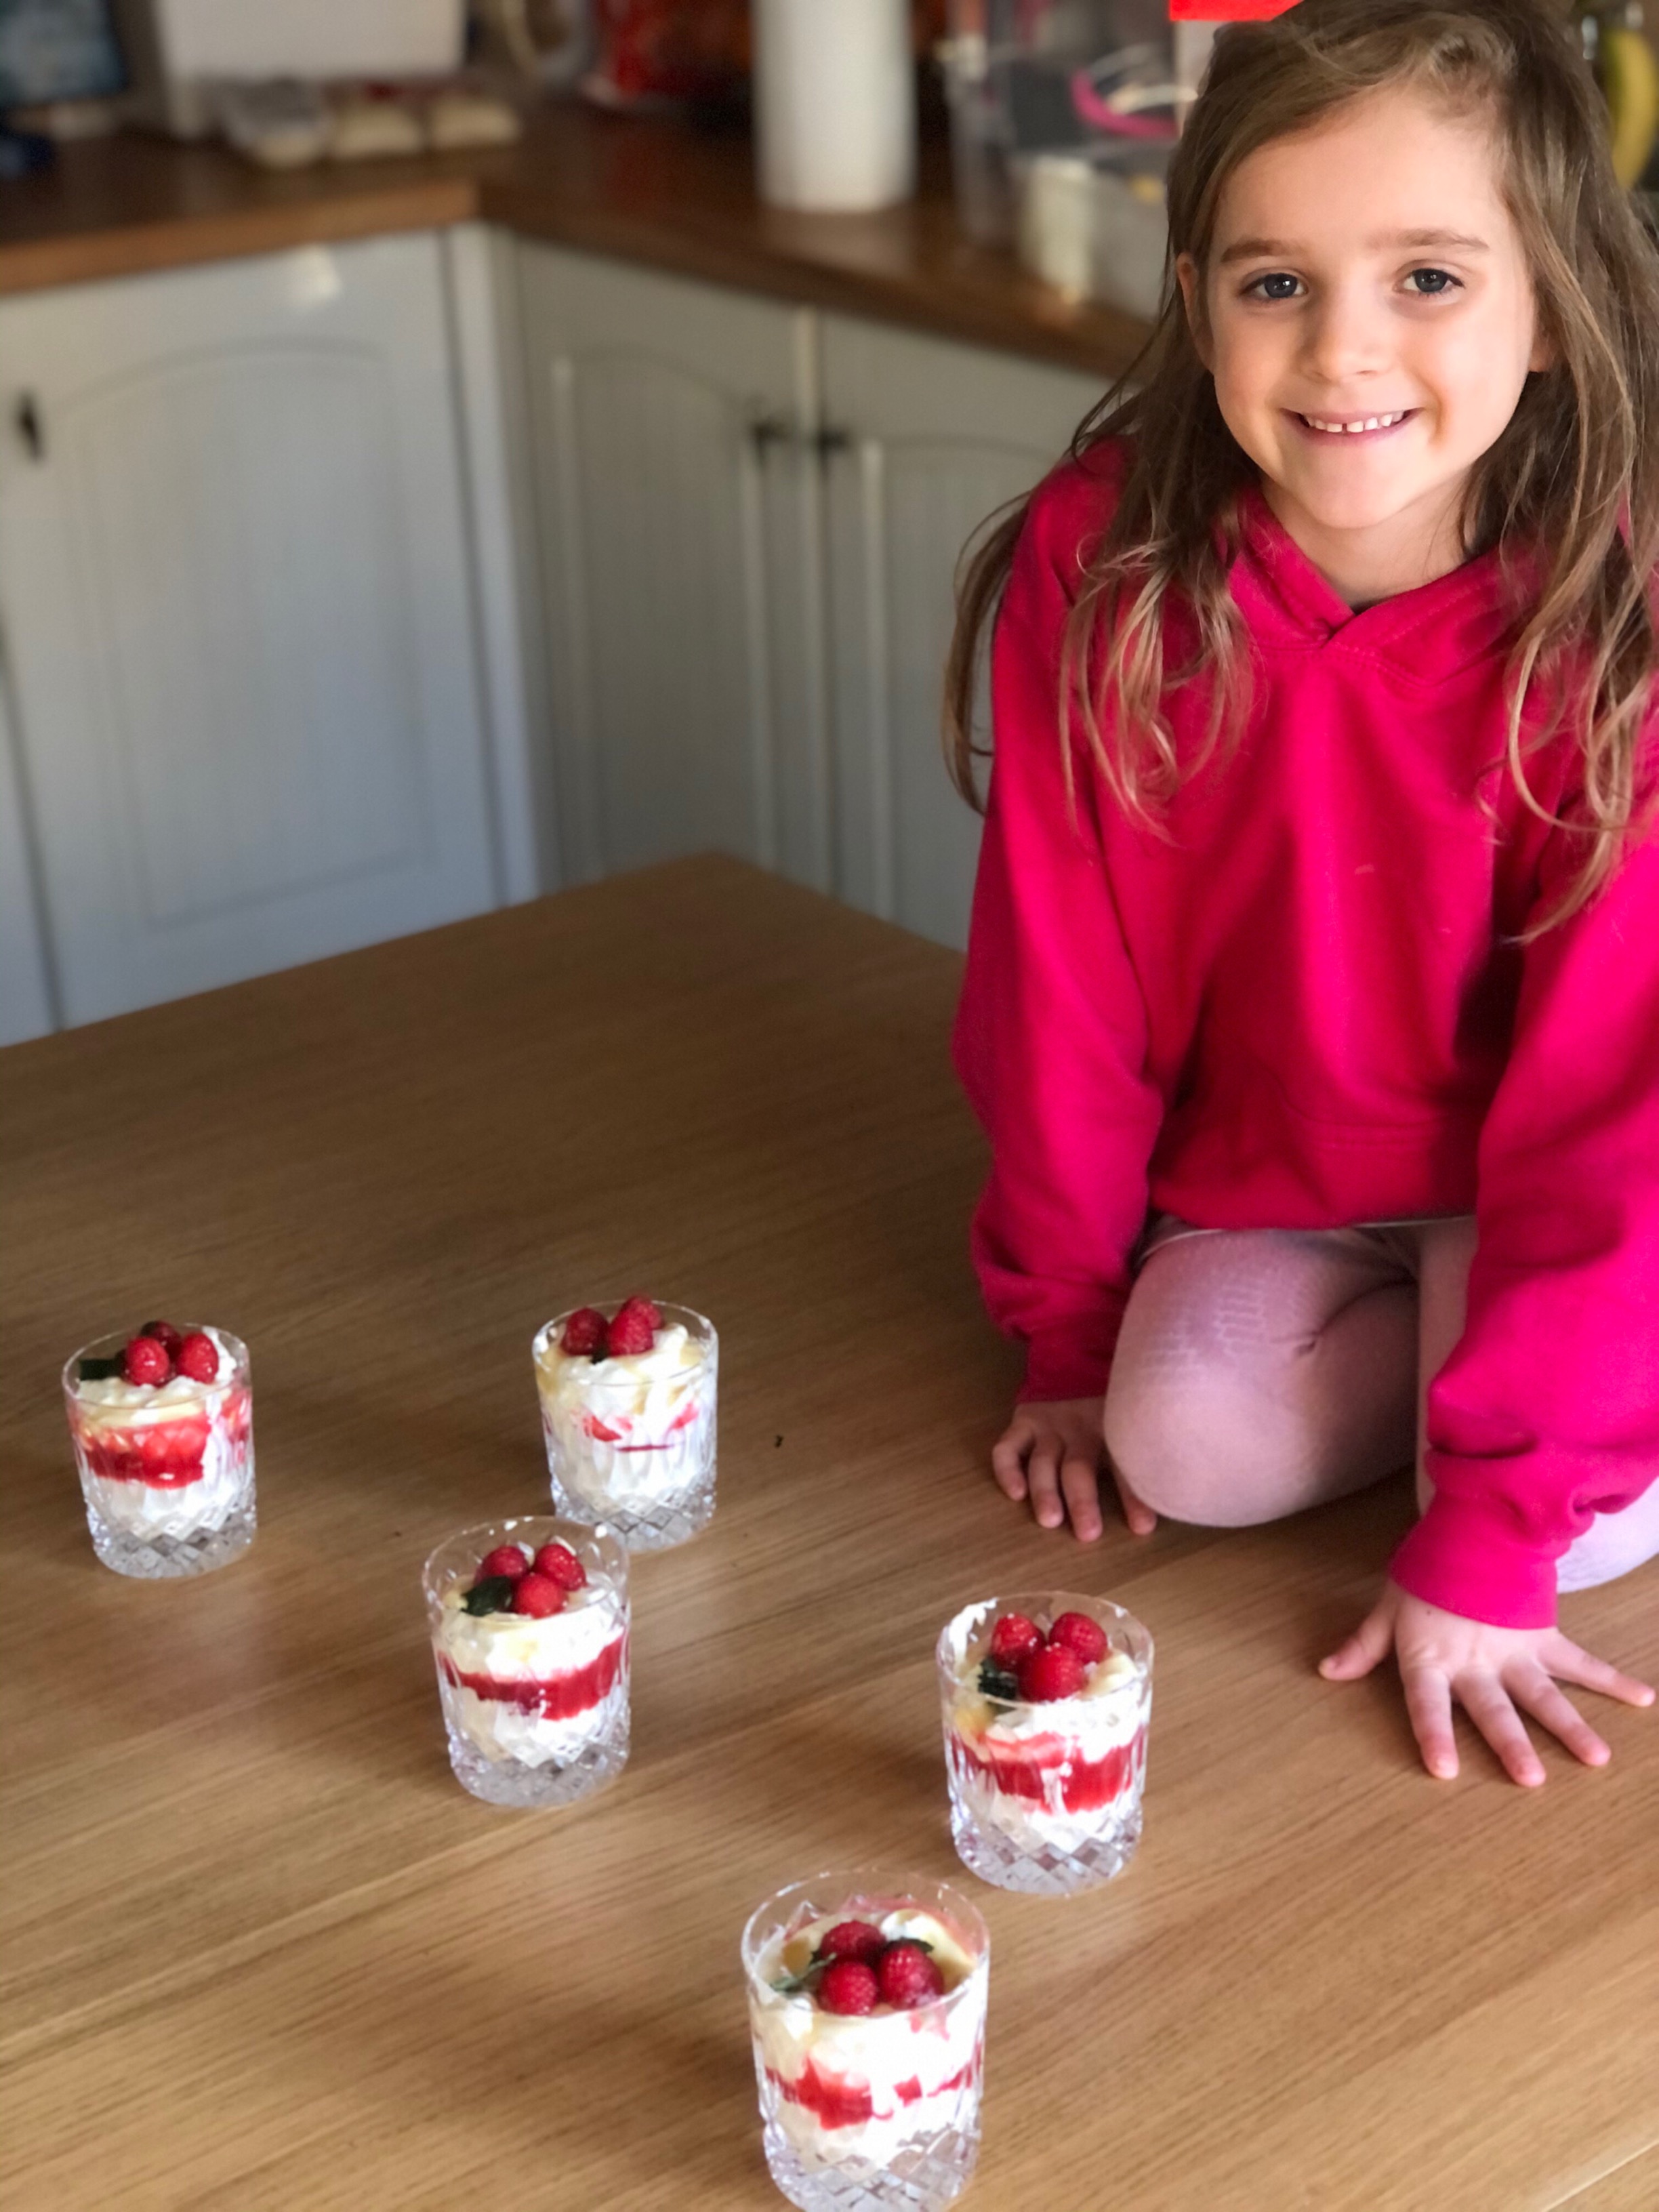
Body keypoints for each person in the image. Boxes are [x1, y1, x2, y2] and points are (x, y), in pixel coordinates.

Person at [947, 0, 1658, 1787]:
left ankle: (1529, 1396)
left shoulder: (1617, 611)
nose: (1346, 353)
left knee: (1533, 1538)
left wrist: (1490, 1539)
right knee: (1174, 1446)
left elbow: (1613, 1096)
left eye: (1429, 277)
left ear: (1555, 305)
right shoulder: (1105, 563)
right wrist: (1067, 1328)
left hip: (1569, 1171)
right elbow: (1057, 984)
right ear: (1197, 307)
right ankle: (1487, 1383)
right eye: (1277, 284)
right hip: (1293, 1189)